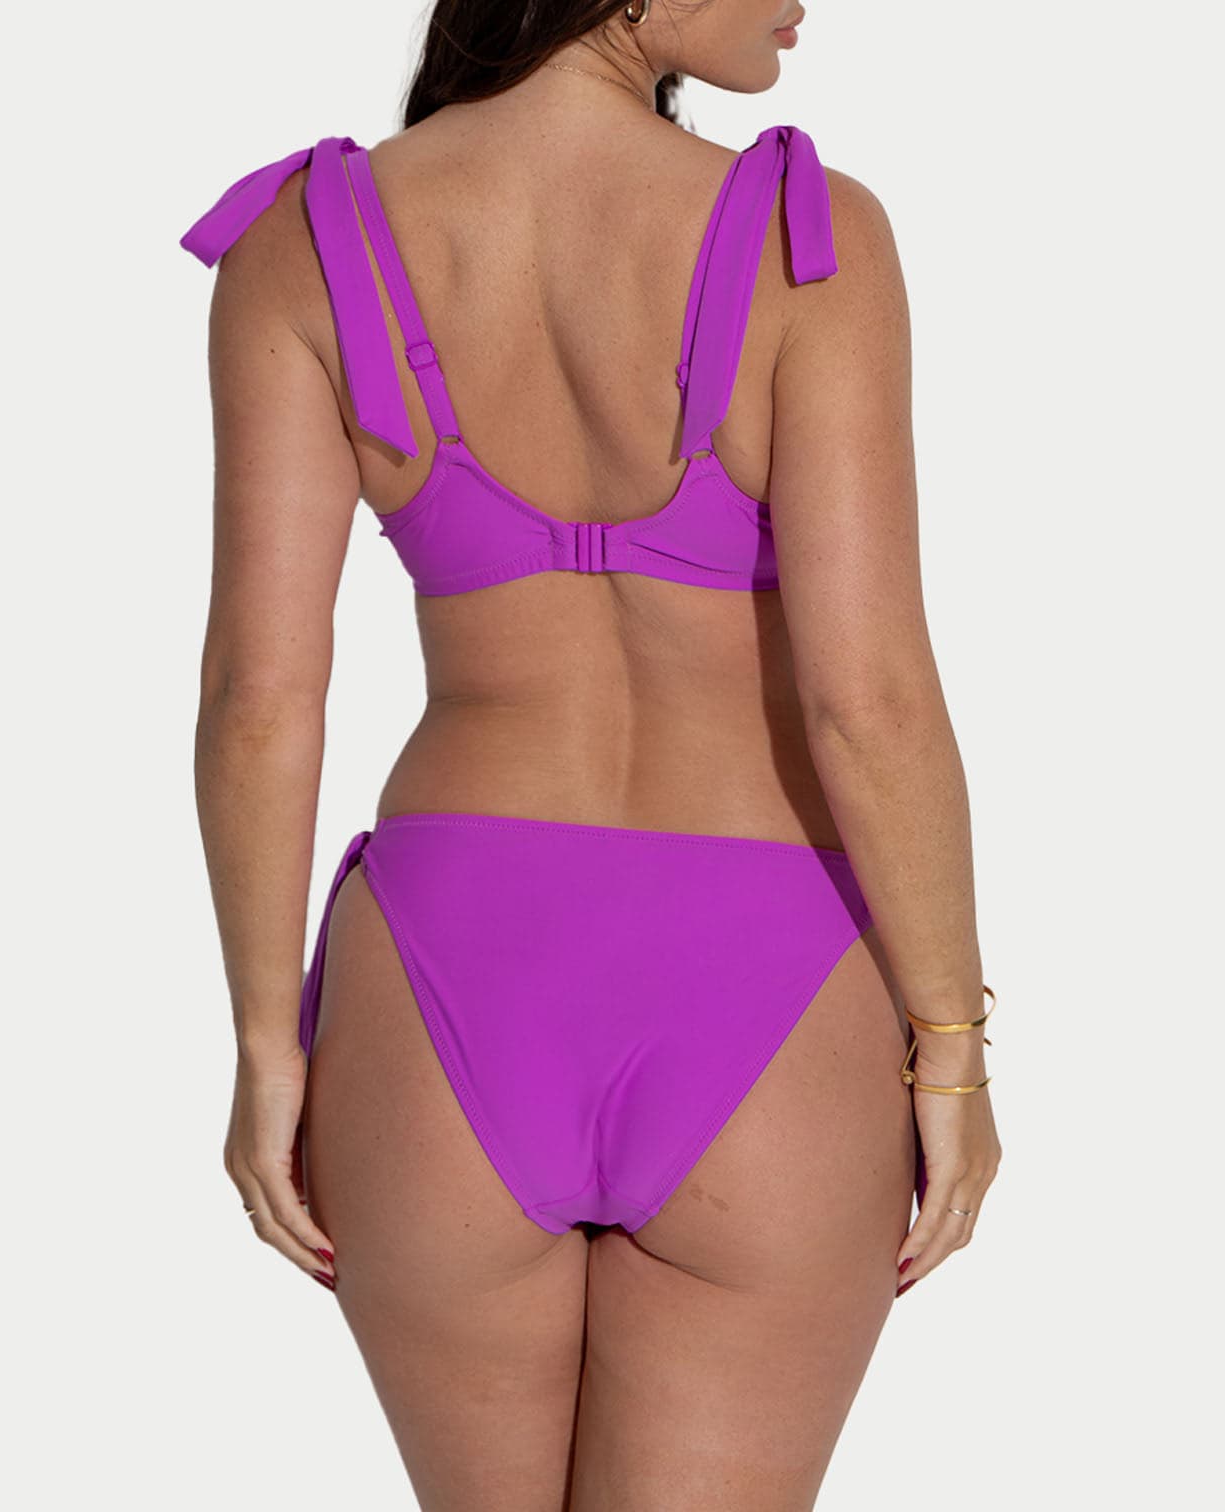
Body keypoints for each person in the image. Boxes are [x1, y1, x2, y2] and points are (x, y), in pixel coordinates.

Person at [180, 2, 1001, 1506]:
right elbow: (868, 701)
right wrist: (950, 1045)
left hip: (441, 982)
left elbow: (259, 696)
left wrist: (264, 1047)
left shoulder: (302, 239)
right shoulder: (804, 239)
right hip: (762, 977)